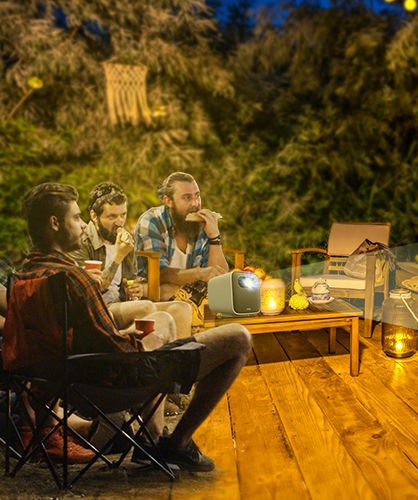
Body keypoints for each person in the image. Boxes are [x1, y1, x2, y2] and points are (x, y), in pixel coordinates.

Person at [7, 182, 251, 472]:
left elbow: (66, 339)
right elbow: (118, 353)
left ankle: (151, 441)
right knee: (238, 338)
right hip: (110, 385)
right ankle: (175, 444)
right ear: (54, 223)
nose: (83, 224)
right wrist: (148, 345)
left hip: (66, 380)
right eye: (76, 217)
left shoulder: (24, 276)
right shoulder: (73, 278)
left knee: (160, 321)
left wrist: (125, 334)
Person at [69, 182, 192, 346]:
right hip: (99, 308)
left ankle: (179, 362)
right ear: (93, 215)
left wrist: (135, 289)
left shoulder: (125, 240)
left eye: (122, 215)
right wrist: (119, 255)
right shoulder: (81, 241)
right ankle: (141, 362)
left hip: (120, 304)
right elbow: (91, 289)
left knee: (181, 309)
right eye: (112, 217)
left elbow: (130, 282)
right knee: (145, 308)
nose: (119, 222)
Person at [134, 172, 228, 301]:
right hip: (153, 291)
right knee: (167, 291)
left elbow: (219, 276)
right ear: (168, 201)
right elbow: (159, 274)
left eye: (197, 196)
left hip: (191, 293)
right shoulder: (151, 221)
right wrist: (199, 274)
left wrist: (214, 237)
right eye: (187, 198)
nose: (195, 203)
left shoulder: (202, 224)